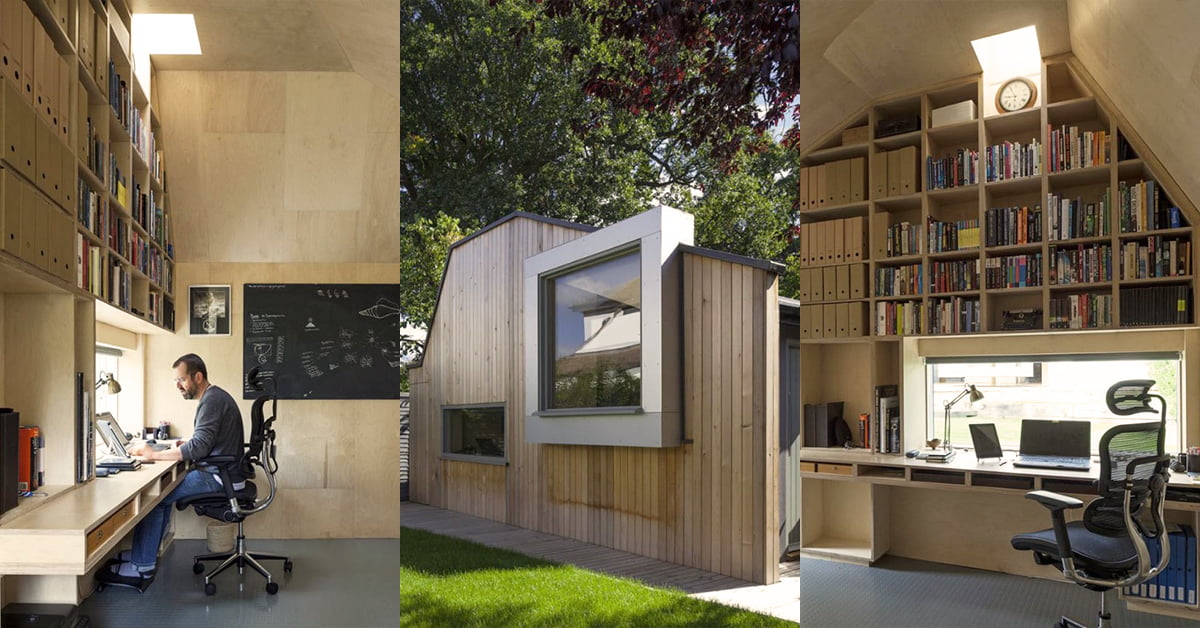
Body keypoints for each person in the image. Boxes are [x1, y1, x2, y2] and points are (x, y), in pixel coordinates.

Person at [95, 353, 245, 589]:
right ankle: (146, 554)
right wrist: (181, 446)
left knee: (157, 498)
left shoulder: (212, 401)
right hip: (222, 472)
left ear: (198, 376)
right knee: (161, 494)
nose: (178, 386)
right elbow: (203, 443)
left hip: (219, 477)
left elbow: (198, 448)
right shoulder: (214, 397)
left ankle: (142, 567)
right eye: (175, 381)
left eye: (181, 380)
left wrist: (154, 454)